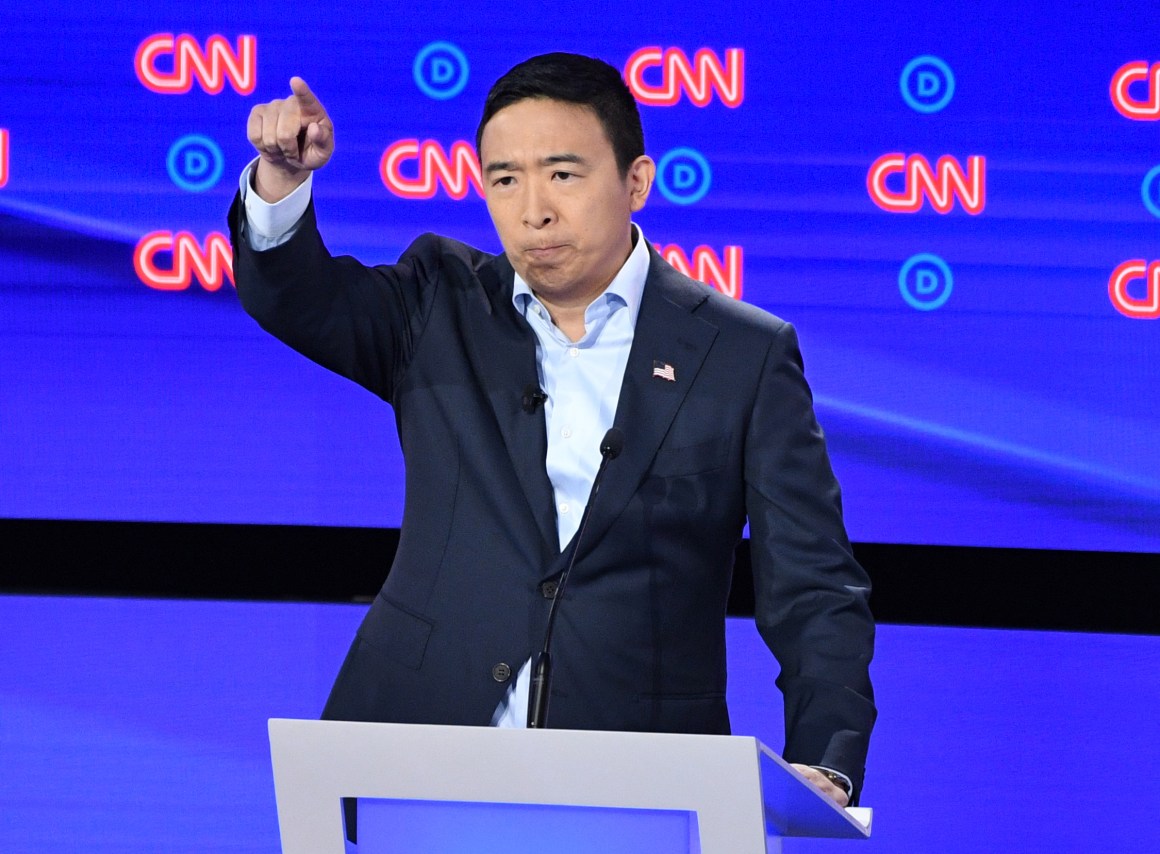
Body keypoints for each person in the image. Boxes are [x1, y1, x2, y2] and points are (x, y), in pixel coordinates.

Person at [231, 53, 875, 807]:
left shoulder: (743, 356)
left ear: (636, 181)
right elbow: (297, 300)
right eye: (505, 179)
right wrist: (281, 181)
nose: (532, 209)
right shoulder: (438, 304)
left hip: (641, 781)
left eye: (562, 175)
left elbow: (814, 587)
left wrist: (826, 762)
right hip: (413, 754)